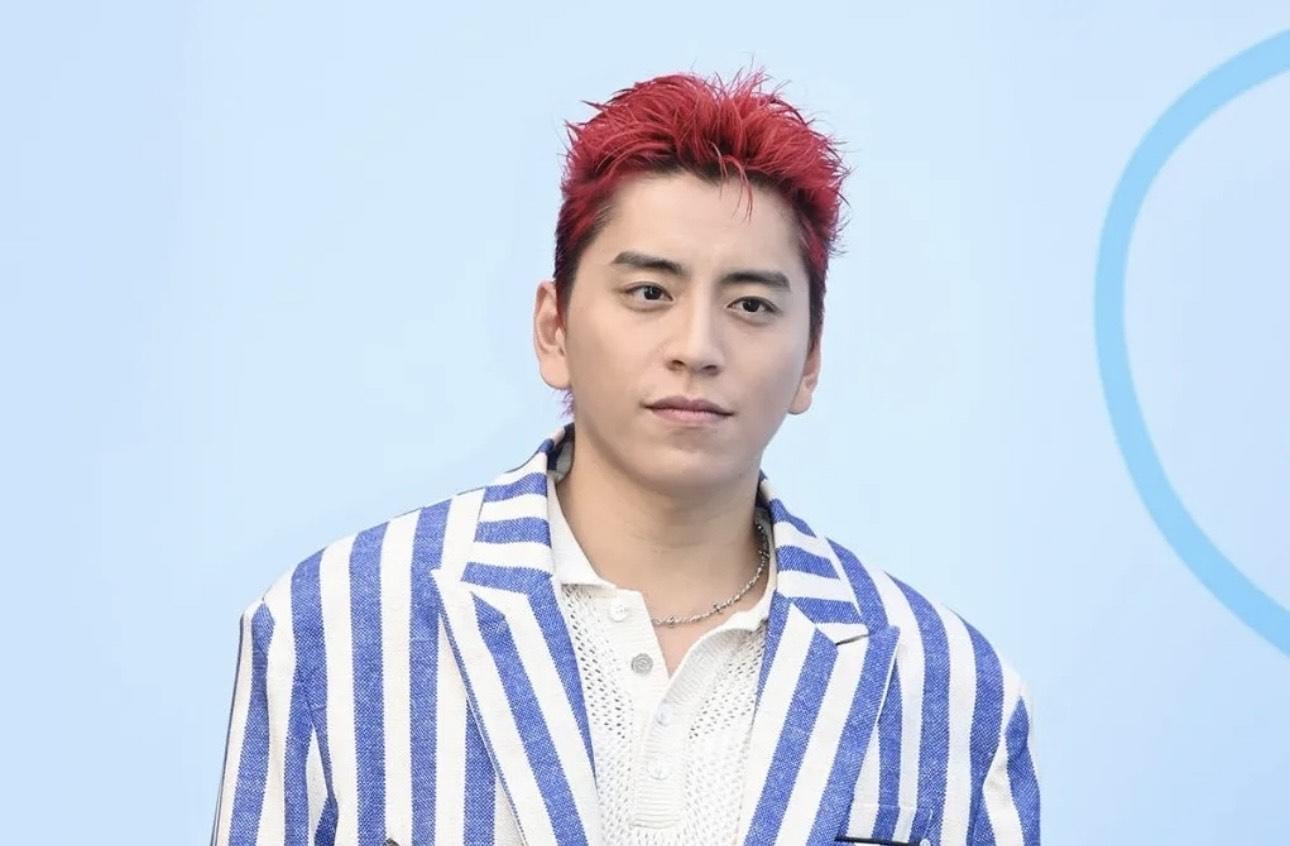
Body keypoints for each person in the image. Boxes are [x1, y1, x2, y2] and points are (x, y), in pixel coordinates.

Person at [210, 67, 1040, 846]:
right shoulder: (338, 622)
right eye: (650, 293)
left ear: (811, 360)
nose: (697, 347)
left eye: (752, 304)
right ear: (554, 329)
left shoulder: (947, 685)